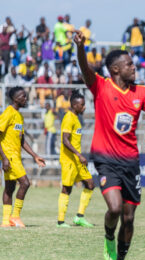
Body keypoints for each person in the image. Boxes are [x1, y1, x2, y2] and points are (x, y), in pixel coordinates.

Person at [74, 30, 145, 260]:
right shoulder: (101, 87)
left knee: (129, 217)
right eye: (129, 65)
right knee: (114, 208)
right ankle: (108, 237)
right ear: (115, 69)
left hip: (131, 162)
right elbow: (85, 70)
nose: (133, 68)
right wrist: (81, 48)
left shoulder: (142, 92)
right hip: (105, 159)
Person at [0, 87, 46, 227]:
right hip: (10, 156)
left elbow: (21, 140)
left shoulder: (19, 116)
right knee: (25, 183)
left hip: (15, 156)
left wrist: (35, 156)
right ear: (15, 99)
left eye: (25, 96)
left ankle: (5, 221)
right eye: (23, 96)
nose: (25, 99)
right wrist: (4, 158)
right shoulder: (8, 113)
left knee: (9, 187)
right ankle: (15, 216)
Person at [57, 90, 95, 228]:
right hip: (69, 159)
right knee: (67, 189)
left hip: (77, 159)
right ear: (74, 105)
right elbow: (65, 140)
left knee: (90, 184)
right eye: (82, 104)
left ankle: (79, 217)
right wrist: (79, 155)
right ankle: (60, 222)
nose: (84, 107)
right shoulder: (68, 117)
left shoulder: (76, 118)